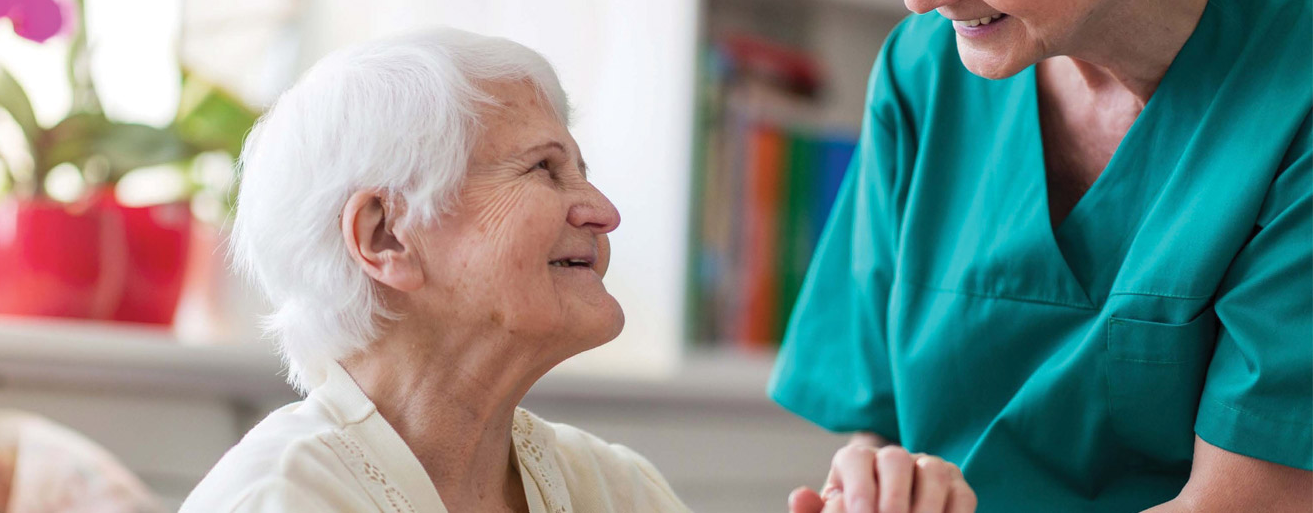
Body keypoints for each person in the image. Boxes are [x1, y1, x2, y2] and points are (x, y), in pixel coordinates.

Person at [185, 29, 974, 512]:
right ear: (386, 235)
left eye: (583, 169)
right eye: (543, 170)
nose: (602, 209)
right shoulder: (280, 499)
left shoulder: (612, 489)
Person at [771, 0, 1313, 511]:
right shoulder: (921, 74)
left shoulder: (1295, 93)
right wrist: (880, 489)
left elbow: (1249, 504)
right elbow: (881, 427)